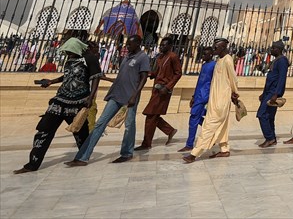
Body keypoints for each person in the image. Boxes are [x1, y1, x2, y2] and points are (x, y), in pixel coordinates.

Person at [14, 38, 98, 174]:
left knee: (80, 132)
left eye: (70, 51)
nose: (67, 54)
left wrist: (91, 97)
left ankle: (82, 157)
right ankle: (32, 163)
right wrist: (51, 81)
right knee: (44, 130)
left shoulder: (89, 59)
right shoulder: (70, 60)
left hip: (77, 102)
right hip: (60, 100)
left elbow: (96, 78)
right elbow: (67, 76)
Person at [67, 34, 150, 166]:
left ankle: (127, 153)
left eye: (130, 44)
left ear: (138, 43)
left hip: (130, 97)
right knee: (100, 123)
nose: (127, 46)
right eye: (126, 44)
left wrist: (135, 95)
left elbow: (144, 77)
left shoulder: (143, 57)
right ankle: (83, 156)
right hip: (116, 94)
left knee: (129, 125)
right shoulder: (127, 56)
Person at [183, 39, 240, 163]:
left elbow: (233, 79)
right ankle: (224, 149)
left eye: (216, 48)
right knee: (222, 125)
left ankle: (194, 153)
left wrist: (235, 94)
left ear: (223, 47)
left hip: (221, 100)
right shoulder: (218, 61)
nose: (214, 50)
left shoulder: (228, 60)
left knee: (208, 125)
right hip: (214, 98)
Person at [137, 37, 181, 150]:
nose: (161, 47)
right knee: (152, 114)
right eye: (161, 45)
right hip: (156, 89)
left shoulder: (173, 57)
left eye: (164, 45)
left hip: (163, 91)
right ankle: (169, 130)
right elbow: (157, 72)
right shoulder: (160, 57)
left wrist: (167, 87)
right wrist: (150, 74)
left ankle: (146, 143)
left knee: (150, 114)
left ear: (170, 46)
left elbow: (178, 74)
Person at [179, 46, 215, 153]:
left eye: (205, 54)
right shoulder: (204, 65)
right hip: (199, 95)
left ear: (211, 55)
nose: (203, 56)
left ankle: (189, 144)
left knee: (194, 118)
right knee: (198, 117)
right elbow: (199, 82)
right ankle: (212, 133)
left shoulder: (214, 66)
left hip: (204, 96)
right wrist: (194, 96)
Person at [257, 41, 289, 148]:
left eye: (273, 48)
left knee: (262, 114)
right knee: (269, 116)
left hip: (273, 92)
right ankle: (272, 138)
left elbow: (281, 78)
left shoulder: (282, 61)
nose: (272, 50)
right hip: (268, 92)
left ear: (279, 49)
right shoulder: (276, 60)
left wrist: (277, 93)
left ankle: (269, 138)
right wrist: (263, 93)